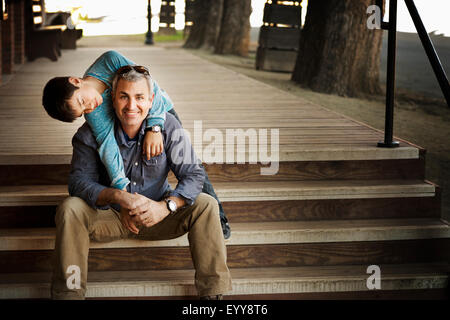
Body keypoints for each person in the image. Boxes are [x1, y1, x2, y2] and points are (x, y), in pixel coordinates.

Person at [51, 65, 232, 300]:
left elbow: (194, 175)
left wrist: (166, 207)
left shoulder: (167, 126)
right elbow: (78, 183)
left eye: (139, 98)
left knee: (206, 204)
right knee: (70, 208)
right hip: (111, 217)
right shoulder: (90, 133)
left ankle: (213, 293)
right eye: (123, 97)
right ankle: (69, 294)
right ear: (112, 99)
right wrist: (117, 197)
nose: (131, 106)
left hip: (158, 214)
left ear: (151, 100)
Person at [42, 50, 230, 239]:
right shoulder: (94, 113)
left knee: (189, 161)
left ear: (76, 81)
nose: (89, 107)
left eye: (82, 100)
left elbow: (146, 86)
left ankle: (219, 218)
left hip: (158, 108)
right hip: (126, 117)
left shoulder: (109, 61)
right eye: (82, 111)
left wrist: (155, 127)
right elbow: (109, 147)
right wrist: (122, 192)